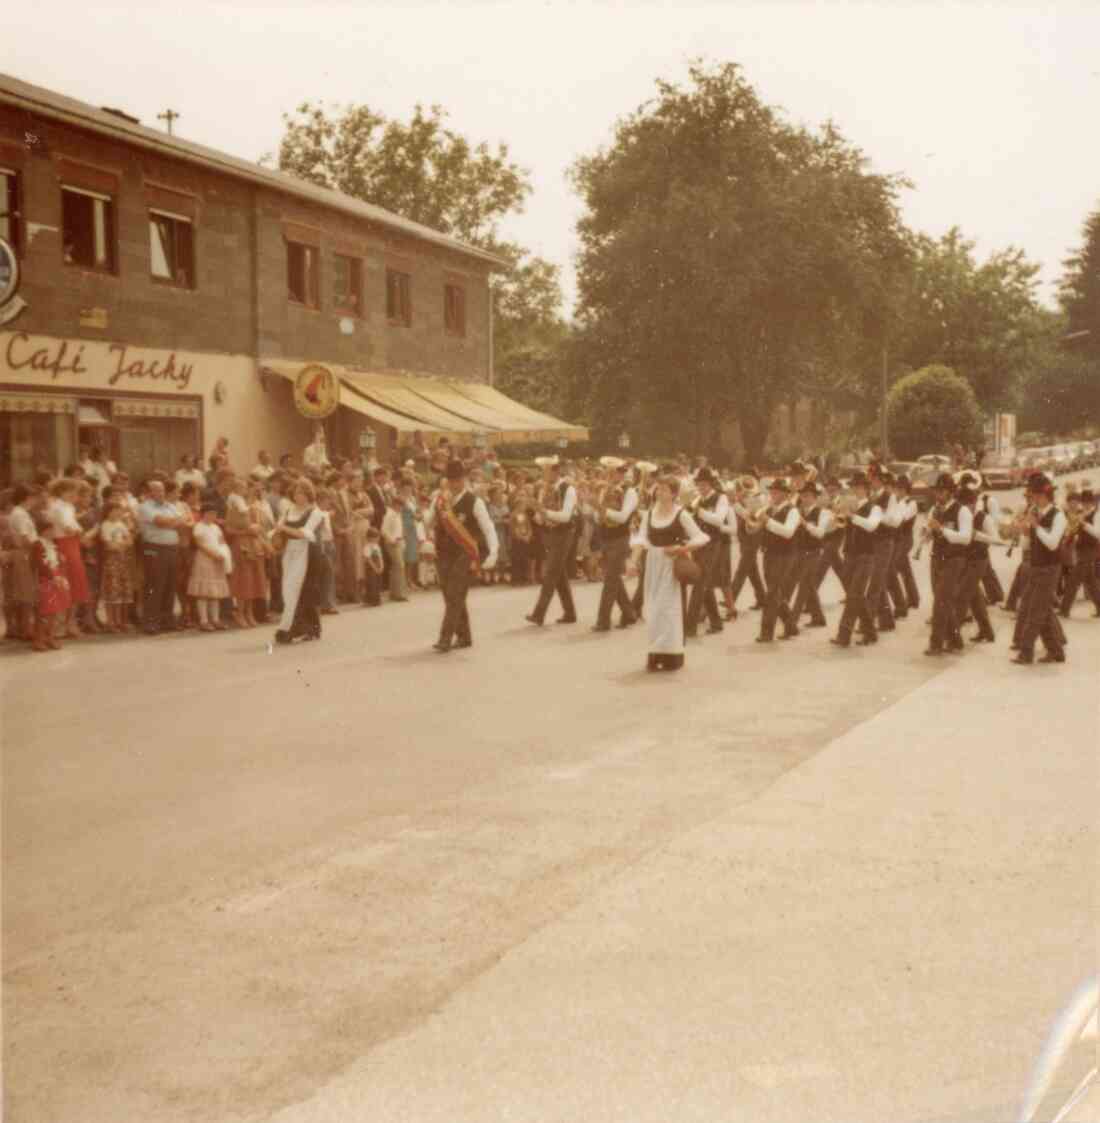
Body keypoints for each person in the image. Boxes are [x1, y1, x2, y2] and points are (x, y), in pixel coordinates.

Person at [629, 475, 709, 671]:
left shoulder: (681, 514)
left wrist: (681, 550)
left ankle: (672, 654)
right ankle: (655, 651)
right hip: (653, 563)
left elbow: (701, 537)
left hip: (671, 565)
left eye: (664, 490)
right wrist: (633, 561)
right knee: (654, 607)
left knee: (667, 608)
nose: (659, 492)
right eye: (658, 489)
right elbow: (641, 539)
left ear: (674, 494)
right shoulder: (649, 514)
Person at [429, 460, 498, 653]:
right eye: (450, 480)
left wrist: (493, 551)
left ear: (464, 480)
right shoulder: (440, 500)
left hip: (465, 553)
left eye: (457, 479)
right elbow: (429, 520)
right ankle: (465, 636)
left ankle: (445, 638)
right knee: (451, 595)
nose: (454, 483)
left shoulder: (474, 502)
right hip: (443, 553)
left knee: (455, 593)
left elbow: (488, 527)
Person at [1012, 473, 1067, 665]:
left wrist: (1036, 527)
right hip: (1036, 566)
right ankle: (1056, 651)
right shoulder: (1036, 513)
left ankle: (1026, 653)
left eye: (1034, 495)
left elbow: (1052, 543)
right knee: (1037, 609)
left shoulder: (1058, 515)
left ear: (1044, 496)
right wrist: (1025, 531)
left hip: (1050, 568)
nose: (1032, 499)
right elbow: (1028, 544)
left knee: (1035, 612)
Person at [831, 472, 881, 648]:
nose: (855, 490)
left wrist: (852, 516)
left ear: (866, 489)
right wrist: (837, 515)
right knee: (856, 595)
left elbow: (871, 526)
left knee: (853, 595)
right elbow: (837, 525)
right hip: (850, 555)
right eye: (853, 487)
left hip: (866, 555)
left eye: (859, 487)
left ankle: (843, 635)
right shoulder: (849, 505)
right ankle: (871, 632)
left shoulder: (874, 508)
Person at [526, 458, 578, 626]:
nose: (543, 475)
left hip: (565, 533)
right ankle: (570, 613)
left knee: (550, 574)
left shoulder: (568, 489)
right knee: (558, 574)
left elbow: (565, 516)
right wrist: (536, 512)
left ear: (556, 472)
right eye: (543, 471)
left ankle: (538, 614)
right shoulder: (543, 489)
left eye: (546, 471)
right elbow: (540, 518)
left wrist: (542, 511)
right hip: (550, 533)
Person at [273, 480, 325, 644]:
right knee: (288, 588)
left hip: (308, 552)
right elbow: (276, 530)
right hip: (290, 551)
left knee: (304, 590)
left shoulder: (315, 512)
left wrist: (283, 529)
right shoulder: (288, 510)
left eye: (302, 493)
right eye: (296, 493)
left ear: (309, 494)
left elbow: (306, 534)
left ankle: (302, 628)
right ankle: (292, 626)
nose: (298, 497)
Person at [924, 473, 970, 656]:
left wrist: (942, 530)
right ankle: (956, 640)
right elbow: (930, 529)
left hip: (954, 559)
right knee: (943, 600)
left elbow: (965, 538)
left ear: (951, 492)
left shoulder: (962, 511)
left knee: (941, 601)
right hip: (937, 557)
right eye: (937, 491)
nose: (938, 495)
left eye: (942, 491)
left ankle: (936, 643)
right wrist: (927, 532)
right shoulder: (935, 510)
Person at [592, 459, 639, 632]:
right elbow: (597, 517)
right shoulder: (604, 490)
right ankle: (629, 613)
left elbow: (623, 517)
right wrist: (597, 512)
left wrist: (602, 510)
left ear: (621, 473)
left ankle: (603, 621)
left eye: (613, 473)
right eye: (608, 472)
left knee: (610, 580)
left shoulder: (630, 491)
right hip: (605, 536)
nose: (610, 476)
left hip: (620, 538)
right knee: (613, 578)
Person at [137, 479, 187, 635]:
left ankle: (167, 620)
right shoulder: (145, 507)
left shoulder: (170, 506)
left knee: (170, 584)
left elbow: (185, 521)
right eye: (156, 490)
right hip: (154, 548)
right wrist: (174, 522)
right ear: (148, 492)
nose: (160, 493)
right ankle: (151, 622)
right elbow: (160, 522)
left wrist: (171, 522)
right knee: (154, 584)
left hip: (172, 548)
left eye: (162, 490)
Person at [755, 477, 800, 643]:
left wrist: (768, 521)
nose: (772, 494)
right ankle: (791, 625)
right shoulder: (770, 509)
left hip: (785, 555)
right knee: (776, 592)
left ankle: (766, 632)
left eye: (776, 492)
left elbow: (788, 532)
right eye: (772, 491)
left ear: (785, 494)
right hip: (769, 554)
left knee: (772, 592)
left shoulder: (793, 511)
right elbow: (757, 527)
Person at [684, 467, 727, 638]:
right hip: (698, 542)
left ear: (710, 483)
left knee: (699, 583)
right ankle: (716, 622)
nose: (701, 487)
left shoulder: (720, 498)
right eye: (699, 484)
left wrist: (699, 511)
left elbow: (718, 520)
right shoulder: (698, 499)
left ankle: (689, 626)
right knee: (704, 583)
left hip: (712, 543)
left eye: (703, 484)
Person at [48, 478, 90, 639]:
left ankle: (69, 624)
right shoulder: (58, 507)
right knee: (66, 584)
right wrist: (79, 532)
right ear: (62, 492)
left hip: (72, 545)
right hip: (64, 545)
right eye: (71, 491)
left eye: (75, 491)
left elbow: (74, 527)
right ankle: (60, 626)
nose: (74, 494)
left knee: (76, 584)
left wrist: (79, 532)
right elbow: (68, 528)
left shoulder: (69, 507)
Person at [955, 485, 997, 643]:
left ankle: (952, 634)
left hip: (979, 560)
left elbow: (995, 539)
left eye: (966, 504)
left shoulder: (983, 518)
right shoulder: (960, 515)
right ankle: (987, 632)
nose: (963, 508)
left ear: (973, 503)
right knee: (975, 597)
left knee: (962, 596)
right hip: (965, 560)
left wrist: (976, 535)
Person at [791, 481, 830, 628]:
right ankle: (819, 618)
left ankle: (791, 623)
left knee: (803, 588)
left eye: (808, 496)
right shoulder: (798, 511)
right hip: (799, 552)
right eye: (802, 496)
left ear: (815, 497)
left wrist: (805, 524)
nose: (804, 499)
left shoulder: (823, 512)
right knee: (809, 586)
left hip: (813, 553)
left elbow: (820, 533)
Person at [29, 514, 70, 652]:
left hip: (56, 578)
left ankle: (50, 637)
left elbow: (59, 561)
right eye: (51, 530)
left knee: (54, 609)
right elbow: (39, 564)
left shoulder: (53, 544)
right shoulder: (38, 544)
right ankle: (38, 639)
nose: (53, 532)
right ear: (44, 530)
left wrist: (61, 574)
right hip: (44, 580)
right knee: (44, 611)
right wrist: (53, 576)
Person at [188, 506, 232, 631]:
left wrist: (223, 554)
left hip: (218, 559)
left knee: (215, 592)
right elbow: (199, 544)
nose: (213, 516)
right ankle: (204, 621)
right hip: (205, 559)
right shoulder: (199, 527)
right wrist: (213, 555)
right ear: (204, 514)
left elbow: (222, 541)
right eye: (210, 513)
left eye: (214, 513)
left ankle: (216, 619)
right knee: (204, 592)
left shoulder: (216, 527)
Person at [1059, 487, 1100, 618]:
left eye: (1088, 502)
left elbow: (1098, 533)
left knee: (1072, 582)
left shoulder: (1097, 514)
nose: (1086, 504)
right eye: (1084, 502)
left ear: (1093, 502)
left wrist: (1084, 524)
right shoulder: (1083, 513)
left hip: (1090, 550)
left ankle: (1064, 610)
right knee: (1091, 583)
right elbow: (1074, 528)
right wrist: (1070, 535)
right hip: (1081, 550)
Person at [729, 476, 767, 613]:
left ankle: (731, 599)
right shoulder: (743, 499)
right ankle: (762, 599)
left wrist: (736, 504)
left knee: (742, 569)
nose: (739, 492)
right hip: (744, 536)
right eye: (739, 489)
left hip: (754, 536)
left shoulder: (758, 499)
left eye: (741, 489)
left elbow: (749, 515)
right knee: (752, 570)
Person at [381, 493, 409, 602]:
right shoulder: (389, 514)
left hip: (399, 541)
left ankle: (394, 592)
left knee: (396, 567)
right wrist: (391, 540)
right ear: (395, 504)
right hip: (393, 543)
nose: (401, 508)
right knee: (399, 566)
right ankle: (399, 593)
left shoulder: (397, 514)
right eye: (400, 505)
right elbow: (383, 530)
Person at [362, 529, 384, 607]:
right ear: (369, 538)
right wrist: (374, 567)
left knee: (378, 583)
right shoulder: (367, 547)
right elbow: (368, 559)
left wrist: (381, 565)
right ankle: (370, 600)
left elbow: (380, 556)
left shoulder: (377, 546)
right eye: (374, 538)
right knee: (371, 583)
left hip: (377, 566)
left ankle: (377, 599)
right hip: (371, 568)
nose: (376, 539)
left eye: (377, 537)